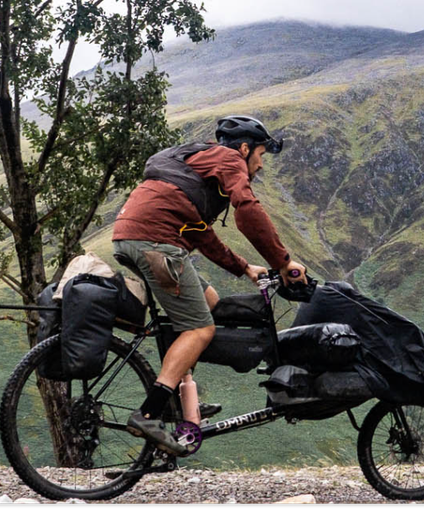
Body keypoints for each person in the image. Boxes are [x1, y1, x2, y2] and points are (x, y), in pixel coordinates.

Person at [111, 115, 309, 456]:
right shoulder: (229, 158)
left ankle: (183, 402)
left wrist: (245, 267)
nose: (260, 165)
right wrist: (283, 261)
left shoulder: (200, 169)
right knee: (200, 329)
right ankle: (148, 413)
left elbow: (202, 235)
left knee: (210, 300)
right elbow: (247, 210)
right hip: (156, 243)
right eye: (260, 155)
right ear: (244, 148)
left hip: (135, 237)